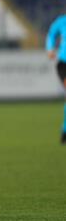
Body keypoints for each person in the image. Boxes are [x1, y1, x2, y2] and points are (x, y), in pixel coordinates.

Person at [46, 14, 66, 143]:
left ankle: (65, 130)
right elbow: (51, 34)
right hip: (64, 63)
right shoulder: (62, 21)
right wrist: (50, 48)